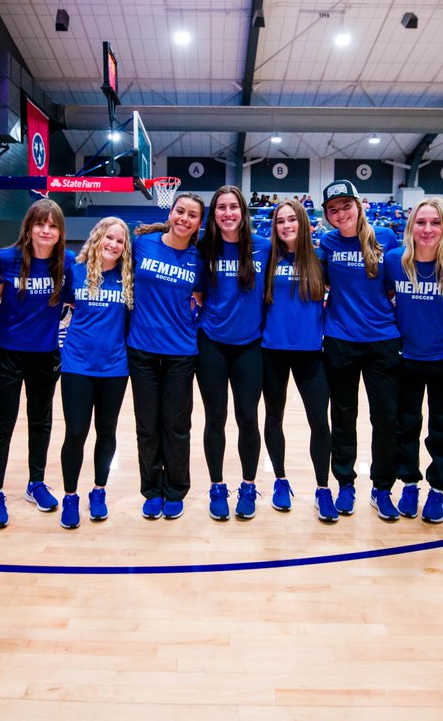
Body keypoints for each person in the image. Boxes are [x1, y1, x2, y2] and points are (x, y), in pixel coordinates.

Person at [0, 199, 74, 528]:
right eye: (40, 224)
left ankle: (36, 483)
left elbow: (77, 300)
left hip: (45, 354)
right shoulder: (6, 258)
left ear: (60, 232)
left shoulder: (68, 262)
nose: (46, 231)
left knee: (41, 420)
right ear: (29, 227)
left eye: (52, 226)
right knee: (2, 423)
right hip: (6, 352)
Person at [319, 179, 401, 521]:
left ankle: (382, 488)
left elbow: (396, 286)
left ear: (360, 205)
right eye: (333, 210)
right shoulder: (326, 242)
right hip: (340, 339)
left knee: (385, 417)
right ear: (327, 215)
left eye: (346, 206)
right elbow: (321, 282)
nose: (341, 214)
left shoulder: (386, 238)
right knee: (343, 415)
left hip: (382, 339)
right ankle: (345, 483)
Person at [383, 198, 443, 524]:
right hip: (406, 356)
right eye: (421, 222)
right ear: (411, 227)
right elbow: (386, 297)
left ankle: (438, 489)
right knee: (405, 424)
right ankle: (408, 482)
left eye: (435, 222)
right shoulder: (395, 261)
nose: (428, 229)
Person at [128, 193, 205, 520]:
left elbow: (202, 297)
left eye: (192, 215)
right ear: (170, 213)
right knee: (147, 426)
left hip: (180, 352)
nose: (184, 218)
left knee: (176, 425)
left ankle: (176, 489)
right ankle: (151, 489)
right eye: (180, 211)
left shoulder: (198, 258)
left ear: (199, 223)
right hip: (142, 349)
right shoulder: (142, 245)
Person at [196, 187, 271, 520]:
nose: (227, 213)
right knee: (215, 418)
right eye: (221, 207)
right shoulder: (204, 248)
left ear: (243, 211)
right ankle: (216, 486)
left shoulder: (264, 247)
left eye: (233, 207)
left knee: (248, 417)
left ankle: (249, 486)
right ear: (214, 214)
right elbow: (196, 290)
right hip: (211, 343)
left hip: (250, 345)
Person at [57, 217, 134, 529]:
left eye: (120, 241)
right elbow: (57, 305)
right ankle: (71, 496)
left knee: (107, 431)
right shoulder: (74, 272)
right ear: (97, 238)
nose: (114, 245)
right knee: (75, 432)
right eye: (109, 238)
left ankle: (98, 491)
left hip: (115, 367)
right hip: (77, 364)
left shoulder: (128, 278)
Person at [261, 200, 334, 520]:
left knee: (319, 420)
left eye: (292, 219)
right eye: (280, 221)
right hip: (272, 350)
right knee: (273, 417)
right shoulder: (267, 256)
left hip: (311, 353)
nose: (286, 225)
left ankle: (322, 488)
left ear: (303, 223)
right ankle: (279, 480)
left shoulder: (321, 257)